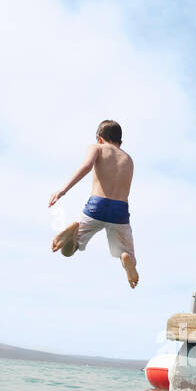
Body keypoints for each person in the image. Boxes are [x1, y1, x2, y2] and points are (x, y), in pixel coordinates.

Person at [49, 120, 139, 289]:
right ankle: (126, 258)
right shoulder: (128, 159)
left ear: (99, 138)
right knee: (128, 254)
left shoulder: (97, 148)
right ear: (121, 142)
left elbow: (86, 166)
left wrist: (63, 190)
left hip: (96, 206)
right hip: (120, 211)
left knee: (68, 251)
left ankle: (74, 231)